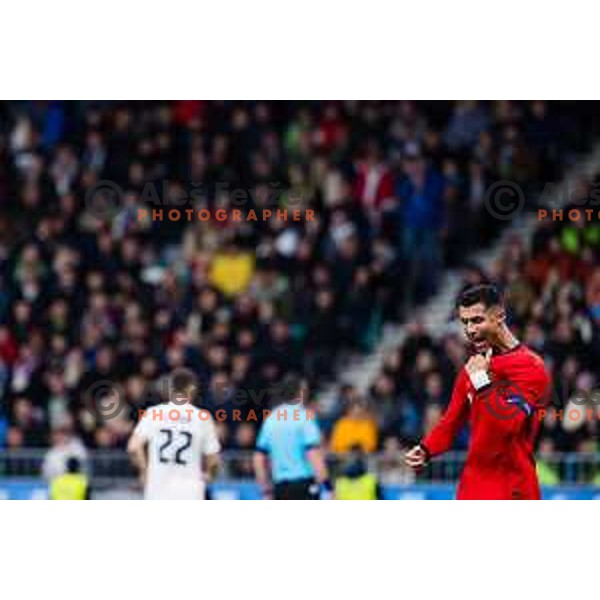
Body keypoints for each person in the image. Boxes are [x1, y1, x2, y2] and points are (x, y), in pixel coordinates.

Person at [405, 284, 551, 499]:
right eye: (465, 322)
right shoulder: (474, 367)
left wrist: (482, 382)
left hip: (513, 488)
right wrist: (426, 450)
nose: (470, 330)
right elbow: (451, 421)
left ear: (499, 316)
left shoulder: (530, 366)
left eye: (477, 320)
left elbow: (509, 423)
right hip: (473, 488)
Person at [127, 368, 220, 500]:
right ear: (192, 390)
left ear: (171, 389)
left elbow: (133, 447)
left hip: (157, 490)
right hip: (190, 492)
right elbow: (213, 459)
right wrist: (210, 475)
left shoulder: (154, 413)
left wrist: (144, 472)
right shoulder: (202, 418)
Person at [253, 374, 332, 500]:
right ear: (301, 392)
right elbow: (313, 455)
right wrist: (328, 487)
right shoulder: (305, 416)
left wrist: (266, 490)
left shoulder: (271, 418)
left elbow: (258, 458)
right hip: (304, 485)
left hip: (280, 487)